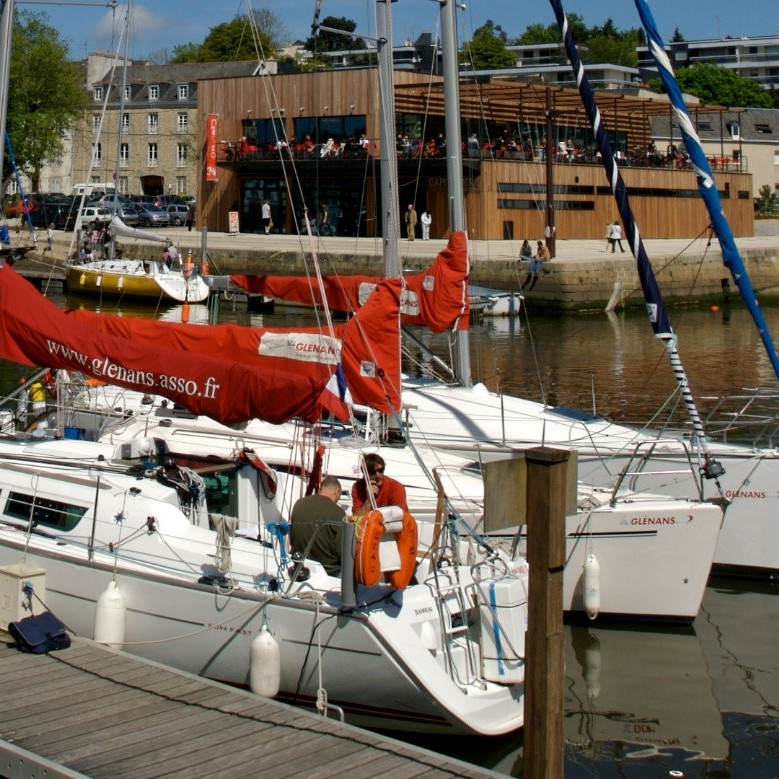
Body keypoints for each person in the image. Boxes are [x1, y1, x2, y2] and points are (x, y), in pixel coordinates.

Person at [289, 475, 346, 575]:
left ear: (321, 489)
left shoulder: (299, 503)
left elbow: (293, 533)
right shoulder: (338, 513)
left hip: (298, 563)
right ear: (337, 491)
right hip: (327, 570)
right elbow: (341, 551)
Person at [351, 453, 408, 517]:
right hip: (368, 525)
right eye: (373, 472)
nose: (378, 475)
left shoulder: (396, 487)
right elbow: (356, 519)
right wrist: (368, 501)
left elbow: (402, 518)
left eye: (380, 470)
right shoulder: (357, 487)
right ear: (364, 473)